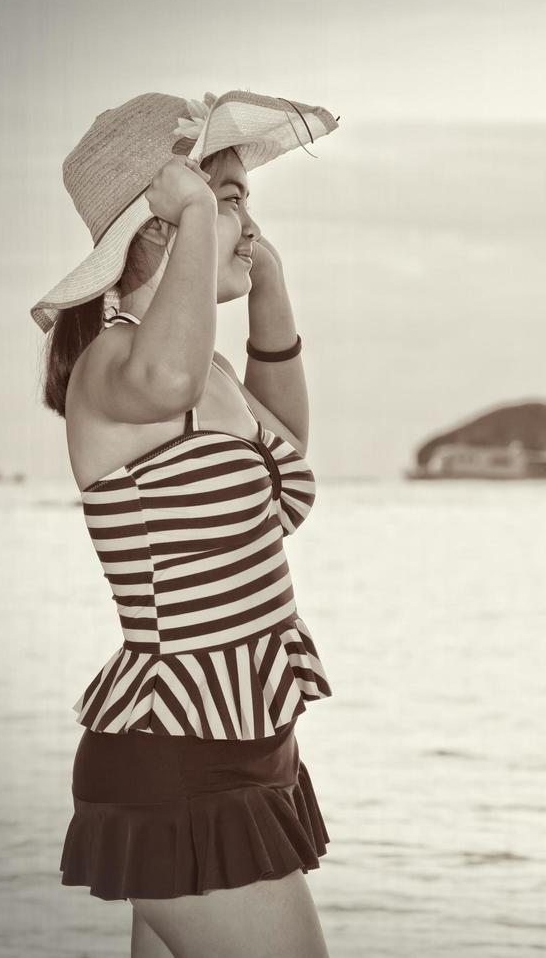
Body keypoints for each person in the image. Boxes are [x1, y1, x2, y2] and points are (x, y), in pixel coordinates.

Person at [32, 91, 340, 958]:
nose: (249, 221)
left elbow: (285, 464)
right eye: (234, 196)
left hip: (247, 746)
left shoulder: (203, 367)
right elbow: (163, 384)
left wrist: (268, 285)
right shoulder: (114, 368)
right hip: (176, 758)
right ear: (162, 222)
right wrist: (205, 212)